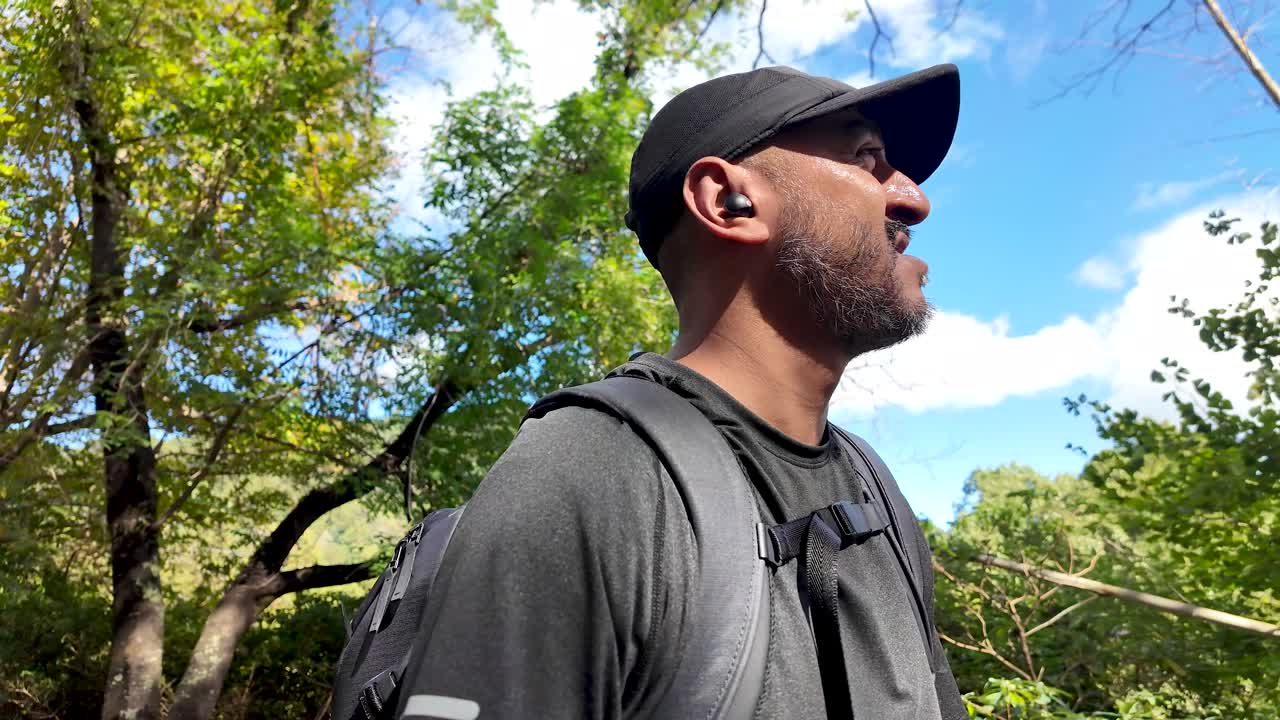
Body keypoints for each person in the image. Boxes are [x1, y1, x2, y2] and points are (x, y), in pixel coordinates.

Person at [397, 64, 966, 719]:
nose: (913, 200)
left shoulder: (875, 491)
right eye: (866, 157)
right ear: (729, 201)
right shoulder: (588, 474)